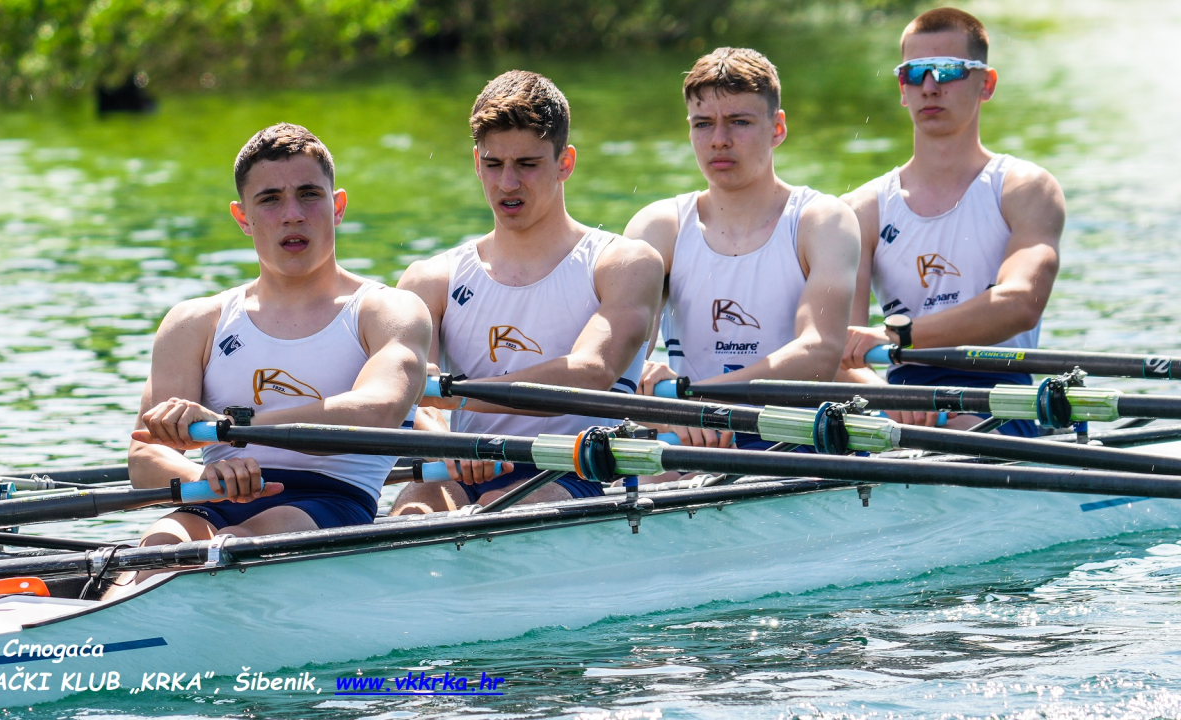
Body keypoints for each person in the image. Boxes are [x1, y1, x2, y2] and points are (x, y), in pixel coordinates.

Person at [124, 123, 431, 556]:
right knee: (157, 548)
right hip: (214, 500)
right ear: (242, 218)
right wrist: (206, 479)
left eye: (309, 194)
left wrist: (230, 430)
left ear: (337, 205)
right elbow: (144, 456)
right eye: (270, 200)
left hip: (331, 502)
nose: (293, 214)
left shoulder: (388, 311)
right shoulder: (192, 322)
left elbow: (380, 409)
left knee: (237, 546)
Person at [391, 70, 664, 513]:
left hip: (578, 472)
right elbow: (409, 389)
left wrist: (455, 394)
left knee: (504, 503)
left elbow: (591, 371)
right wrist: (446, 442)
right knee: (413, 510)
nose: (507, 184)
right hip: (466, 468)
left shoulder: (624, 264)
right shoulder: (431, 279)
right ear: (476, 162)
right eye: (494, 165)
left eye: (527, 165)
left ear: (565, 163)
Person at [838, 8, 1065, 436]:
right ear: (901, 88)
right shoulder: (861, 209)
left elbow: (1019, 303)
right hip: (900, 399)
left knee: (962, 429)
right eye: (914, 72)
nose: (929, 86)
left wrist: (898, 337)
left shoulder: (1024, 188)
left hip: (1000, 398)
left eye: (947, 71)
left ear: (987, 83)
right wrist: (886, 399)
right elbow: (840, 346)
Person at [628, 47, 861, 449]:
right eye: (703, 124)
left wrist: (697, 396)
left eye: (739, 122)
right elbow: (624, 349)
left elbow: (820, 354)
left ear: (777, 128)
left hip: (788, 439)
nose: (719, 140)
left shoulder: (821, 221)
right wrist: (644, 370)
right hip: (689, 434)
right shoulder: (658, 227)